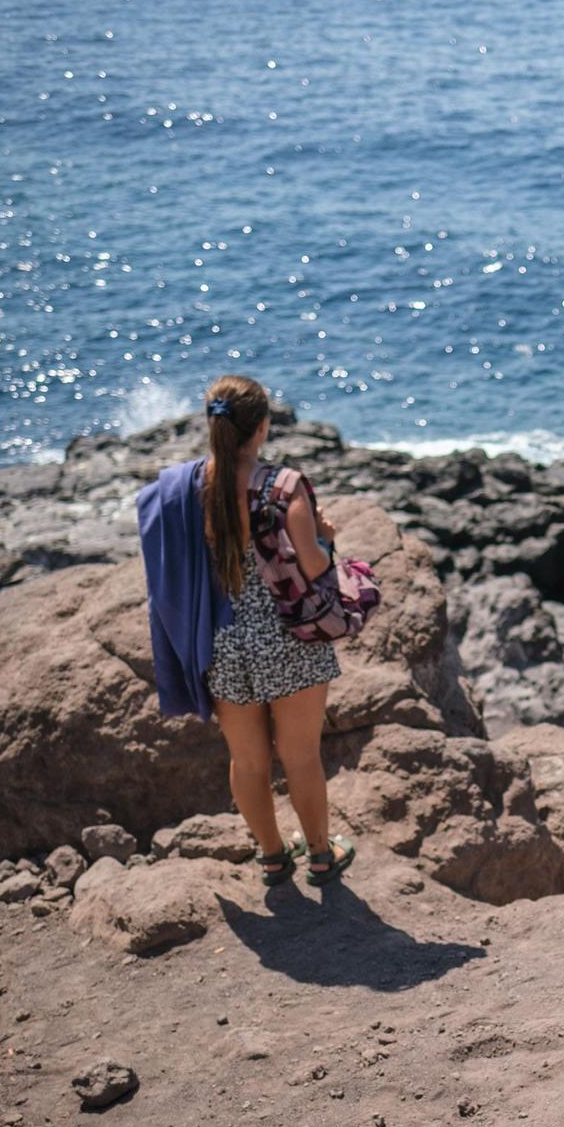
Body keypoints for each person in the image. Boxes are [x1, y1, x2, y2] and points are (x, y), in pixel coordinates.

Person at [136, 374, 356, 888]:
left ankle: (274, 857)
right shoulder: (284, 487)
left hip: (223, 640)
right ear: (260, 428)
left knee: (248, 759)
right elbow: (313, 566)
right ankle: (321, 856)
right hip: (287, 639)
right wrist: (324, 539)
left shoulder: (187, 489)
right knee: (300, 754)